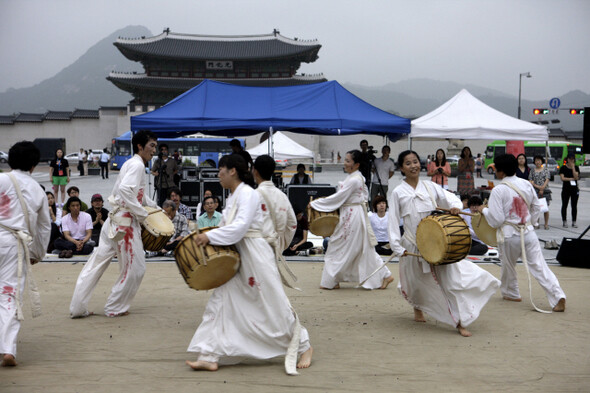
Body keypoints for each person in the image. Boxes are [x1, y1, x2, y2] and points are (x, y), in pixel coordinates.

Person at [186, 154, 312, 373]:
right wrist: (208, 236)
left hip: (255, 253)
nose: (219, 175)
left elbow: (240, 227)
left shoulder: (248, 194)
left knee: (272, 303)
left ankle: (304, 345)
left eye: (221, 171)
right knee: (220, 301)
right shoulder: (235, 196)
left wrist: (210, 237)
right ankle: (209, 354)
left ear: (232, 171)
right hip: (238, 256)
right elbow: (228, 227)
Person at [388, 150, 500, 337]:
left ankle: (458, 321)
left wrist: (455, 206)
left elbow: (450, 198)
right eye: (408, 163)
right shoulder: (398, 192)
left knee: (449, 282)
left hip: (436, 243)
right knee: (415, 282)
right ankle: (418, 308)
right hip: (412, 244)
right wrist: (397, 247)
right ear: (401, 168)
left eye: (415, 161)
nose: (413, 165)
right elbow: (392, 220)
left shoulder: (429, 186)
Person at [69, 130, 159, 318]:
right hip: (124, 224)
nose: (154, 150)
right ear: (140, 146)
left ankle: (77, 308)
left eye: (155, 146)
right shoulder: (138, 166)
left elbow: (137, 193)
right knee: (136, 268)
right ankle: (114, 307)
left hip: (113, 220)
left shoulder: (132, 163)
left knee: (96, 263)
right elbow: (127, 191)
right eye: (151, 145)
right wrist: (143, 215)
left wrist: (154, 208)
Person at [478, 154, 566, 312]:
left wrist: (484, 210)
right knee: (539, 266)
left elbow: (496, 220)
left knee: (508, 265)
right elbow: (536, 207)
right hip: (528, 232)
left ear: (501, 171)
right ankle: (557, 295)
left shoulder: (498, 190)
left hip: (509, 235)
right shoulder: (525, 184)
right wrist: (531, 223)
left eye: (496, 169)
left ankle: (511, 292)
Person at [310, 150, 394, 290]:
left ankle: (332, 280)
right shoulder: (356, 177)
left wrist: (315, 204)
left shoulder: (355, 179)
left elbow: (338, 198)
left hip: (352, 215)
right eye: (345, 159)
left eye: (348, 161)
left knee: (337, 246)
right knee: (361, 248)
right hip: (353, 214)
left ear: (356, 165)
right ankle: (384, 274)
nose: (345, 162)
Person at [0, 141, 51, 367]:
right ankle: (8, 348)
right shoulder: (36, 190)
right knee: (9, 294)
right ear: (33, 165)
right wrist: (37, 253)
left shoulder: (0, 180)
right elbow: (44, 227)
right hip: (14, 245)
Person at [529, 155, 551, 230]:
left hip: (545, 190)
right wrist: (539, 187)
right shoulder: (532, 170)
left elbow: (547, 179)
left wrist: (542, 188)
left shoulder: (546, 170)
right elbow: (531, 181)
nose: (537, 162)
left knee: (545, 208)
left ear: (542, 161)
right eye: (536, 160)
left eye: (539, 160)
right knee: (536, 208)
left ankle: (546, 224)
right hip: (535, 191)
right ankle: (536, 223)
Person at [559, 154, 580, 228]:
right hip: (566, 189)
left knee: (574, 206)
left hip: (574, 189)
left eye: (573, 159)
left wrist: (573, 167)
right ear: (567, 159)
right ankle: (564, 221)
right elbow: (562, 178)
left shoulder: (576, 167)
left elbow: (576, 177)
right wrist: (571, 179)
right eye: (570, 159)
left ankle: (574, 221)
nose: (571, 160)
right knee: (564, 205)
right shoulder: (563, 168)